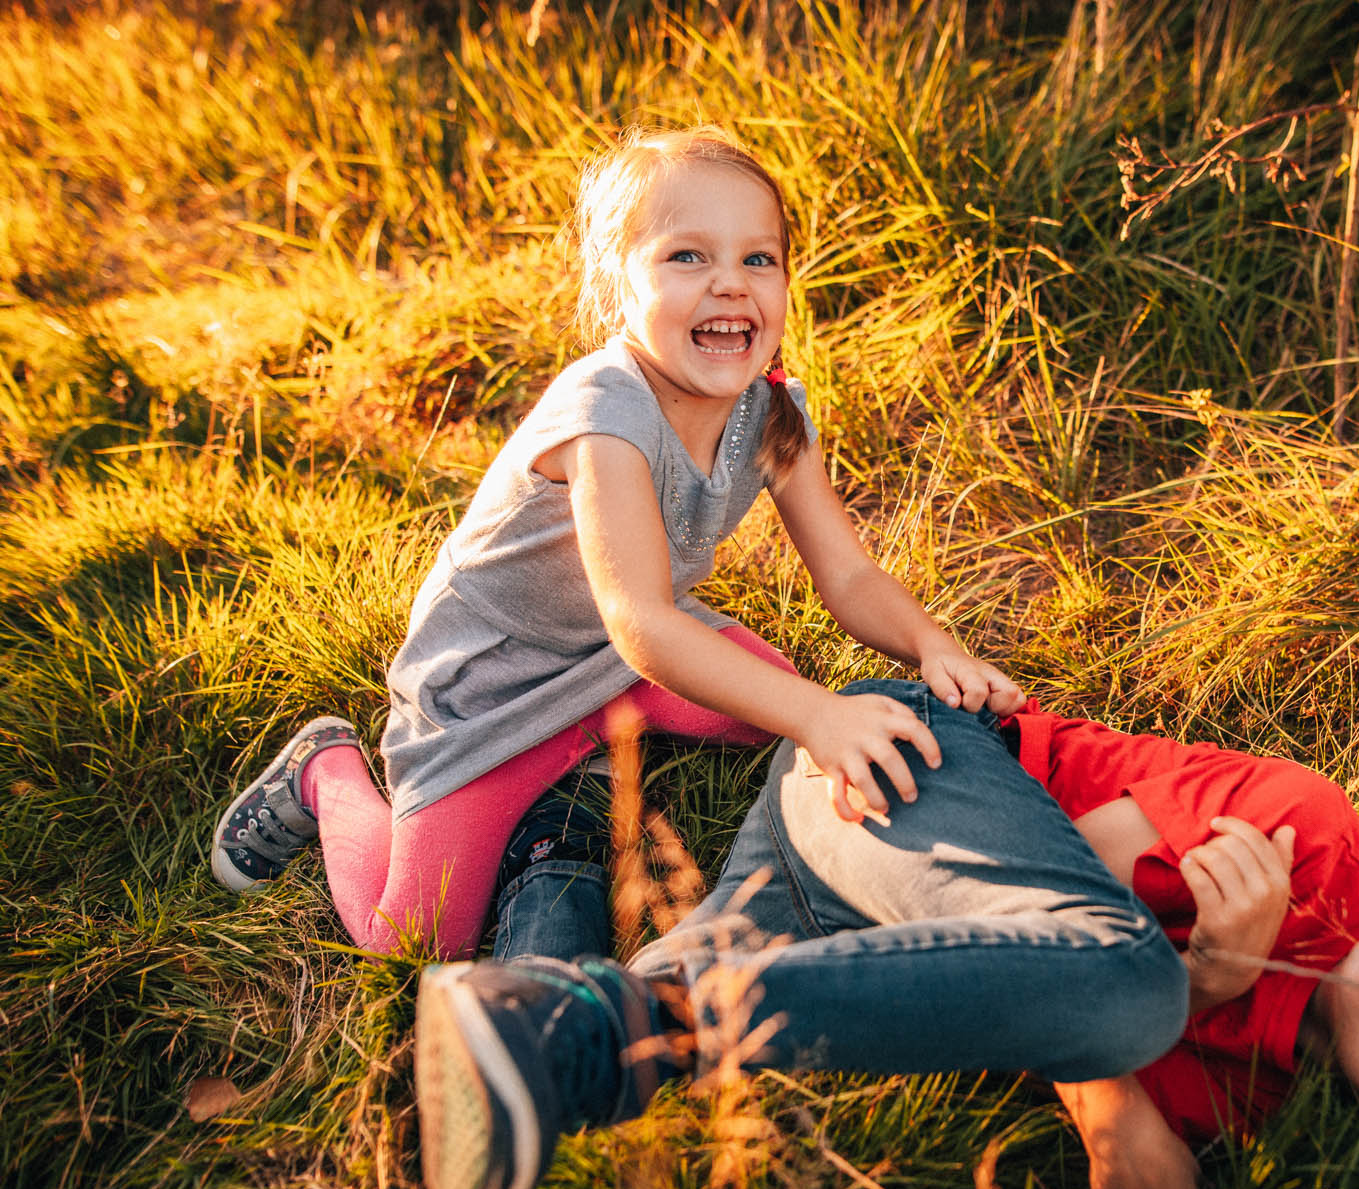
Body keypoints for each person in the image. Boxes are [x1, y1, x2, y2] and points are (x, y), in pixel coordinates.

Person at [205, 125, 1019, 959]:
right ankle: (325, 766)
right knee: (413, 933)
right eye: (688, 258)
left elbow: (846, 571)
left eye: (758, 260)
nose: (730, 287)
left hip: (622, 659)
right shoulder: (606, 409)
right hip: (497, 684)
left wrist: (929, 642)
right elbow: (644, 624)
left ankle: (594, 747)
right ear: (615, 279)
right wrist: (819, 714)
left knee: (772, 713)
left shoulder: (771, 409)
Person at [412, 679, 1359, 1189]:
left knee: (575, 1013)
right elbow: (1073, 875)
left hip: (841, 912)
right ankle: (619, 1043)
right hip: (908, 765)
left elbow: (1000, 1004)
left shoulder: (1262, 1111)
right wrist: (1153, 1064)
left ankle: (555, 880)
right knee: (1131, 983)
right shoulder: (1303, 843)